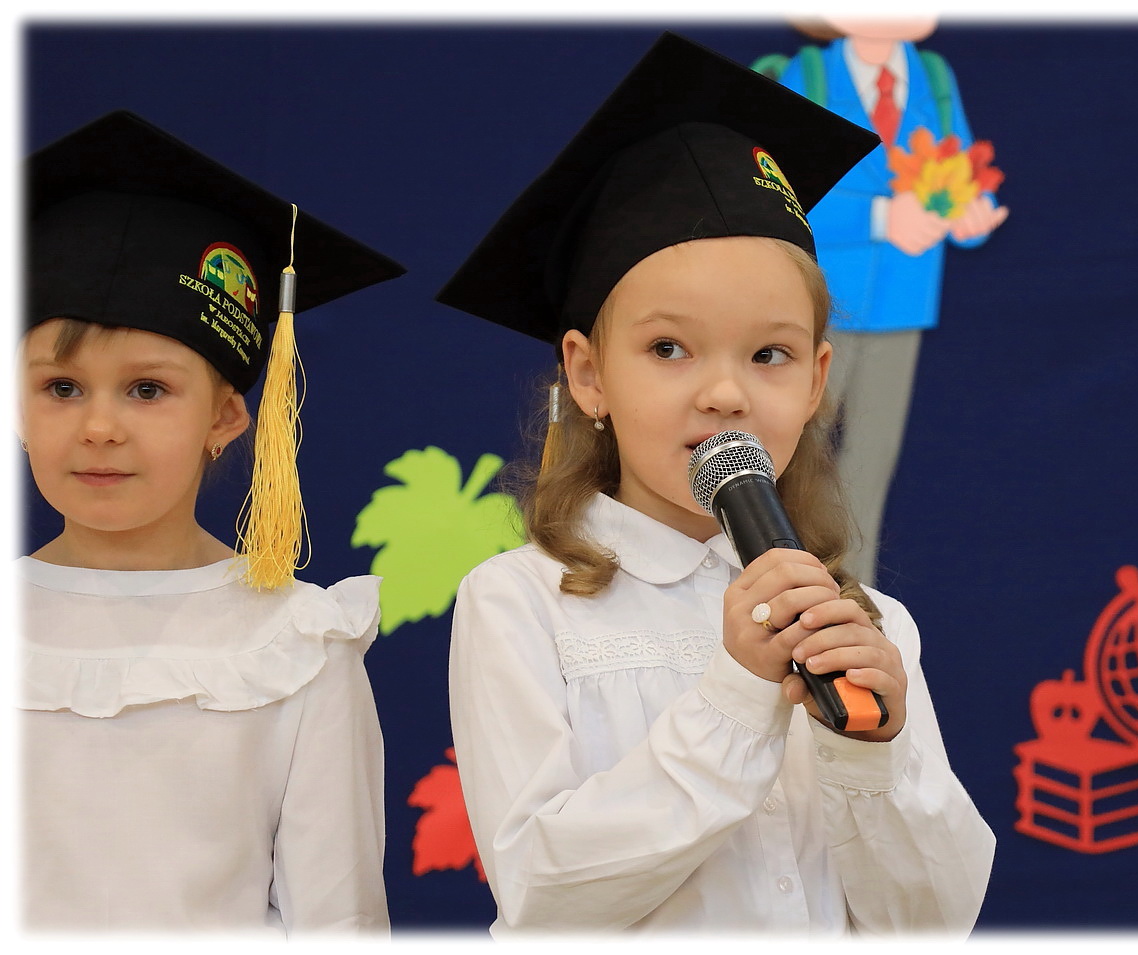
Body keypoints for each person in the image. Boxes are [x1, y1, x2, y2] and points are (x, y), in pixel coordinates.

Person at [435, 33, 995, 935]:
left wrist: (873, 750)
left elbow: (932, 920)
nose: (726, 392)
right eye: (669, 348)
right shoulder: (520, 605)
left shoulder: (866, 621)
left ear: (815, 382)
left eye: (769, 354)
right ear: (588, 374)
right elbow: (543, 895)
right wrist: (736, 694)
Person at [16, 110, 404, 934]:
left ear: (226, 416)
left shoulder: (296, 643)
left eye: (147, 389)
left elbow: (336, 920)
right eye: (61, 387)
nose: (99, 427)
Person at [767, 18, 1009, 586]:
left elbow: (962, 170)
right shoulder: (810, 76)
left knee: (872, 459)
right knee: (796, 453)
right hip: (819, 303)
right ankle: (782, 579)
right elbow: (780, 189)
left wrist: (970, 213)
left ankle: (854, 593)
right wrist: (880, 217)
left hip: (903, 302)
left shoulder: (932, 78)